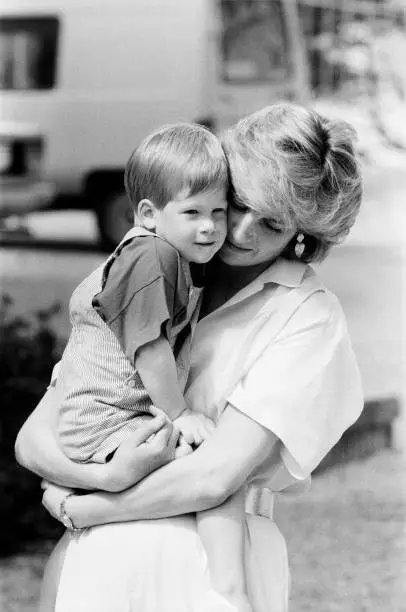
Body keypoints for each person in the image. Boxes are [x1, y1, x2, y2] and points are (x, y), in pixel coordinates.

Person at [15, 103, 364, 612]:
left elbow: (215, 476)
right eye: (237, 204)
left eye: (271, 223)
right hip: (99, 560)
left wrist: (86, 507)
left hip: (207, 568)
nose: (240, 232)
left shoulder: (306, 316)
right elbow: (35, 435)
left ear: (302, 234)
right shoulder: (150, 270)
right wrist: (99, 481)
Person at [46, 122, 253, 611]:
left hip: (106, 417)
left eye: (220, 212)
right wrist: (180, 415)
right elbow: (149, 350)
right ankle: (229, 593)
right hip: (106, 422)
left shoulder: (162, 253)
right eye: (193, 213)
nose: (211, 227)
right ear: (148, 214)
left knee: (211, 471)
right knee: (215, 469)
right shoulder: (151, 255)